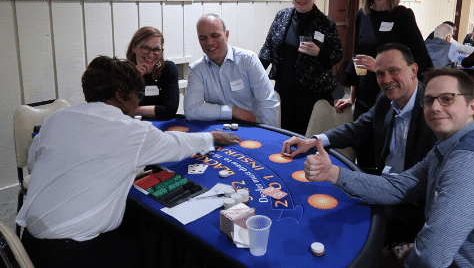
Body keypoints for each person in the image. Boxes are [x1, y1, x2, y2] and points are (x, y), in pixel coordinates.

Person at [16, 56, 240, 268]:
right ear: (122, 95)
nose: (138, 102)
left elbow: (35, 164)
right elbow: (177, 144)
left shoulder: (55, 119)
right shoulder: (129, 131)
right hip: (74, 254)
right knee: (153, 248)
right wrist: (213, 137)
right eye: (138, 95)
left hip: (28, 244)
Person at [304, 68, 474, 267]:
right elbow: (396, 187)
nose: (435, 107)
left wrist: (404, 257)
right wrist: (332, 172)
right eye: (428, 100)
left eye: (447, 99)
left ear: (472, 107)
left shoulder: (469, 162)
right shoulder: (450, 148)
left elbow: (431, 257)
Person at [283, 43, 436, 244]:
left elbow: (418, 187)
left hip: (412, 203)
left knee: (341, 224)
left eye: (394, 71)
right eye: (380, 74)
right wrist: (313, 141)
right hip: (383, 181)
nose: (386, 80)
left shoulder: (434, 113)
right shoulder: (385, 100)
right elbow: (356, 129)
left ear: (414, 70)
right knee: (321, 199)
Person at [333, 0, 432, 169]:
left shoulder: (402, 15)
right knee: (364, 156)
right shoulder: (362, 15)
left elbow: (420, 59)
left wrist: (379, 65)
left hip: (392, 97)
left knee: (386, 160)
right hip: (365, 97)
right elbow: (358, 56)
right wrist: (351, 96)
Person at [259, 0, 343, 134]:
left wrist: (320, 52)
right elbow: (268, 47)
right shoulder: (282, 17)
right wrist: (256, 73)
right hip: (284, 88)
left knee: (305, 136)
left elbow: (338, 54)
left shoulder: (325, 23)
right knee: (283, 132)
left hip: (311, 93)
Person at [185, 14, 279, 127]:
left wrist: (267, 136)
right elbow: (192, 110)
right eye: (203, 38)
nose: (209, 42)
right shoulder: (197, 70)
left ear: (227, 35)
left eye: (215, 35)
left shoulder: (248, 60)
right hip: (218, 131)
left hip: (253, 127)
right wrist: (233, 111)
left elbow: (268, 103)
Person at [126, 26, 179, 119]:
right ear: (133, 48)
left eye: (157, 49)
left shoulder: (168, 69)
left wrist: (134, 110)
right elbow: (118, 108)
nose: (151, 54)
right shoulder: (122, 72)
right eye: (145, 48)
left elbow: (170, 110)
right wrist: (133, 77)